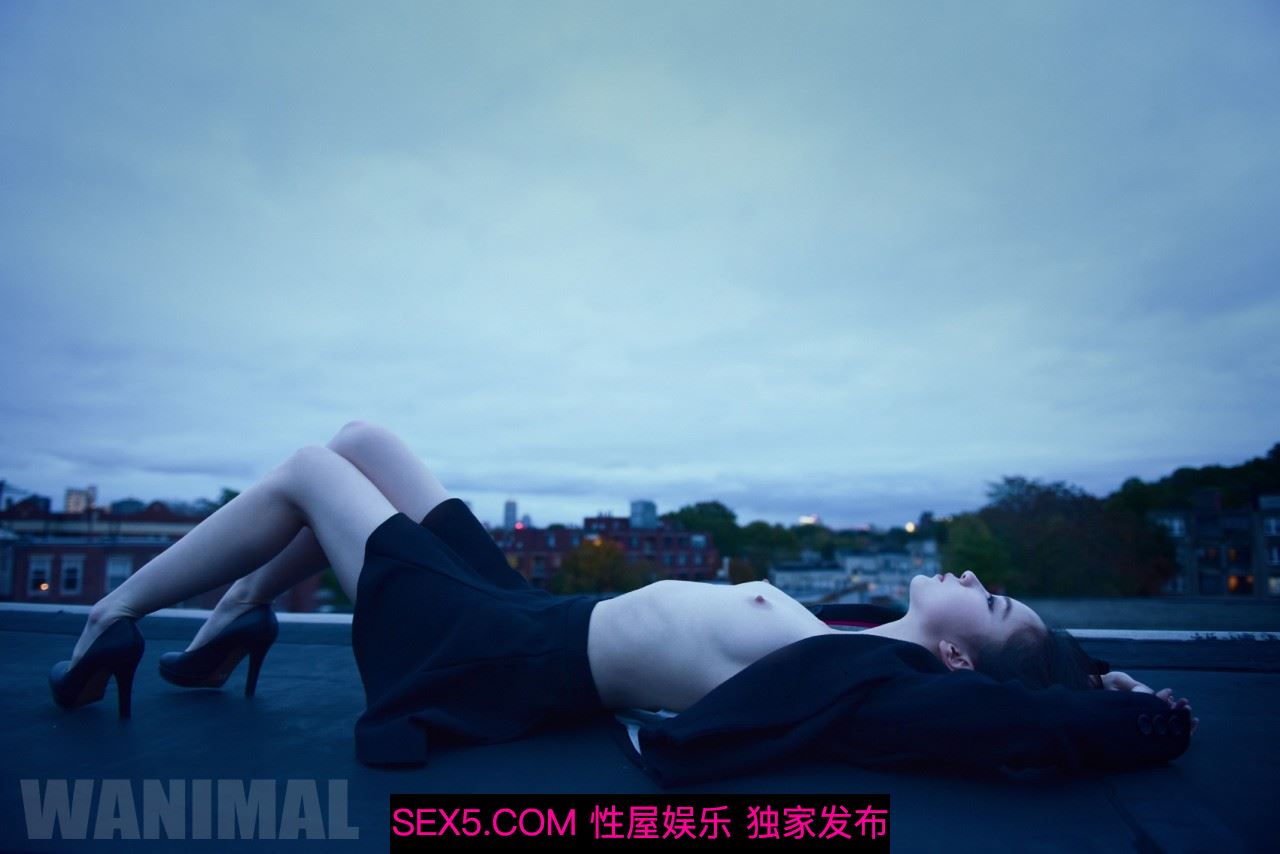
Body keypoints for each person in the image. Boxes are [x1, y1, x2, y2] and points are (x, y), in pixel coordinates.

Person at [49, 421, 1197, 772]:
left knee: (311, 469)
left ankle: (112, 620)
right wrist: (1097, 665)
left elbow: (1011, 721)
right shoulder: (851, 633)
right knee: (362, 440)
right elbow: (1037, 684)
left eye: (990, 605)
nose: (978, 580)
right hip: (517, 605)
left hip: (489, 645)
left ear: (953, 659)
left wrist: (1135, 715)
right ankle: (235, 615)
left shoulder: (873, 682)